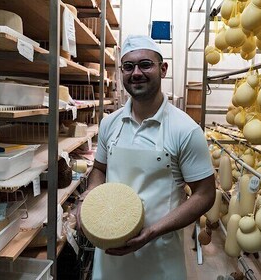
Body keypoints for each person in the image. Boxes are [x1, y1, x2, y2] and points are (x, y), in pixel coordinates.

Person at [77, 34, 216, 280]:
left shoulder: (186, 130)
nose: (136, 73)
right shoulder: (110, 124)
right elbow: (99, 168)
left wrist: (152, 232)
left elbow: (205, 194)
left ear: (163, 69)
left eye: (145, 64)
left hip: (159, 255)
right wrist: (91, 197)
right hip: (110, 254)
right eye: (128, 67)